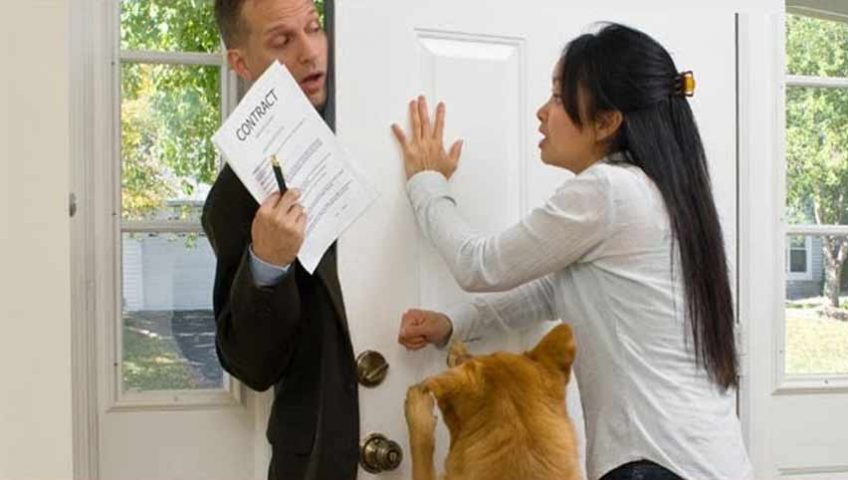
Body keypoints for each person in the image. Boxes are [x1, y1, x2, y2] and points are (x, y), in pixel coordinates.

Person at [391, 23, 753, 480]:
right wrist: (453, 325)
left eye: (560, 97)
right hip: (714, 463)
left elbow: (478, 264)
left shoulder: (609, 191)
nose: (543, 112)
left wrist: (426, 183)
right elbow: (555, 291)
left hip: (655, 466)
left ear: (606, 121)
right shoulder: (674, 200)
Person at [202, 1, 358, 478]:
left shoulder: (380, 131)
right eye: (282, 40)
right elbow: (252, 366)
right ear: (241, 62)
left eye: (315, 28)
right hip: (317, 458)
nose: (312, 52)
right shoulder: (232, 199)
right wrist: (266, 264)